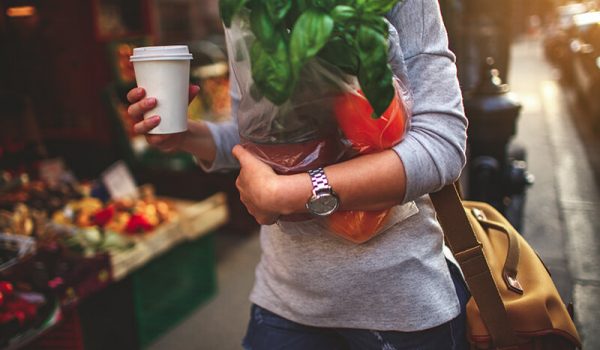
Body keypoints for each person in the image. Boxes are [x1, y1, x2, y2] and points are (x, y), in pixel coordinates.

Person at [127, 0, 470, 348]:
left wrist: (286, 196)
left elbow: (441, 144)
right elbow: (259, 137)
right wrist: (186, 135)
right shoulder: (249, 7)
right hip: (286, 302)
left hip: (402, 305)